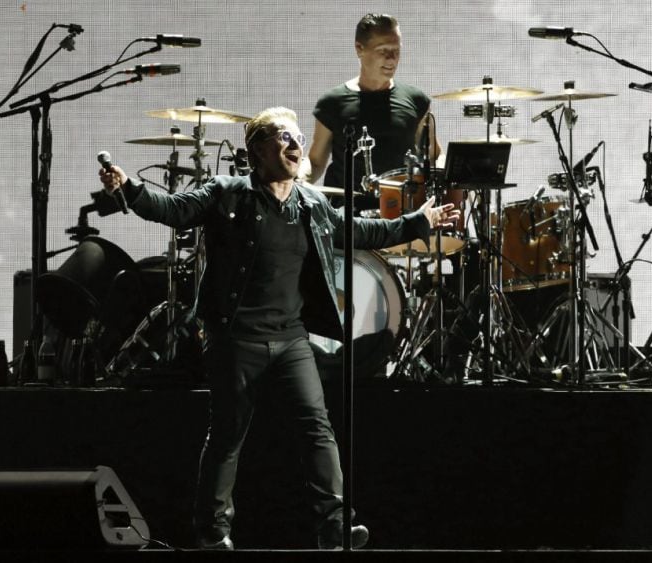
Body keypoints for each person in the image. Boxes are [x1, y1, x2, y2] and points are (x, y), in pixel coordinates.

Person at [99, 107, 459, 550]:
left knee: (317, 428)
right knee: (228, 433)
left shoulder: (311, 204)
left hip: (291, 339)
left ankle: (334, 527)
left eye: (296, 137)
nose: (295, 145)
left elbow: (360, 231)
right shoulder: (228, 193)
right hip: (235, 338)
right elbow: (174, 210)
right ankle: (213, 532)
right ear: (257, 150)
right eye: (283, 138)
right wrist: (130, 191)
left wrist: (419, 221)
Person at [299, 12, 442, 208]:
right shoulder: (332, 103)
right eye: (383, 50)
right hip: (348, 217)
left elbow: (434, 156)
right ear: (359, 49)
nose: (392, 59)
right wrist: (297, 178)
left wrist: (452, 177)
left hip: (401, 215)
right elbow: (315, 162)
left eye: (397, 50)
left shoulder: (416, 100)